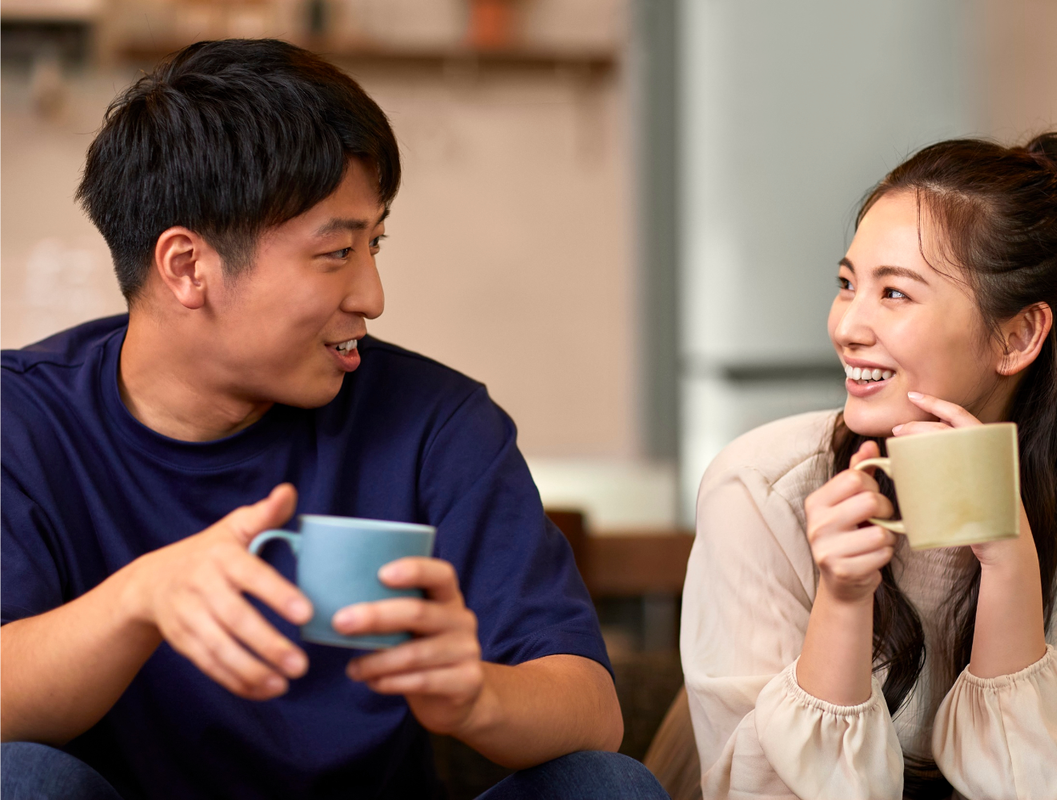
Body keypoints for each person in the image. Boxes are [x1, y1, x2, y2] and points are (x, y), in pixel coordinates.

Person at [0, 39, 668, 800]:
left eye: (374, 243)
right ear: (187, 267)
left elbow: (593, 710)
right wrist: (139, 599)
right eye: (337, 253)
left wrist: (478, 695)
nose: (372, 295)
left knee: (602, 786)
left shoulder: (436, 425)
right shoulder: (21, 420)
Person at [680, 133, 1057, 800]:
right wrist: (841, 598)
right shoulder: (758, 487)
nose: (847, 326)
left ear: (1017, 337)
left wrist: (1010, 566)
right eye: (847, 285)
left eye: (894, 294)